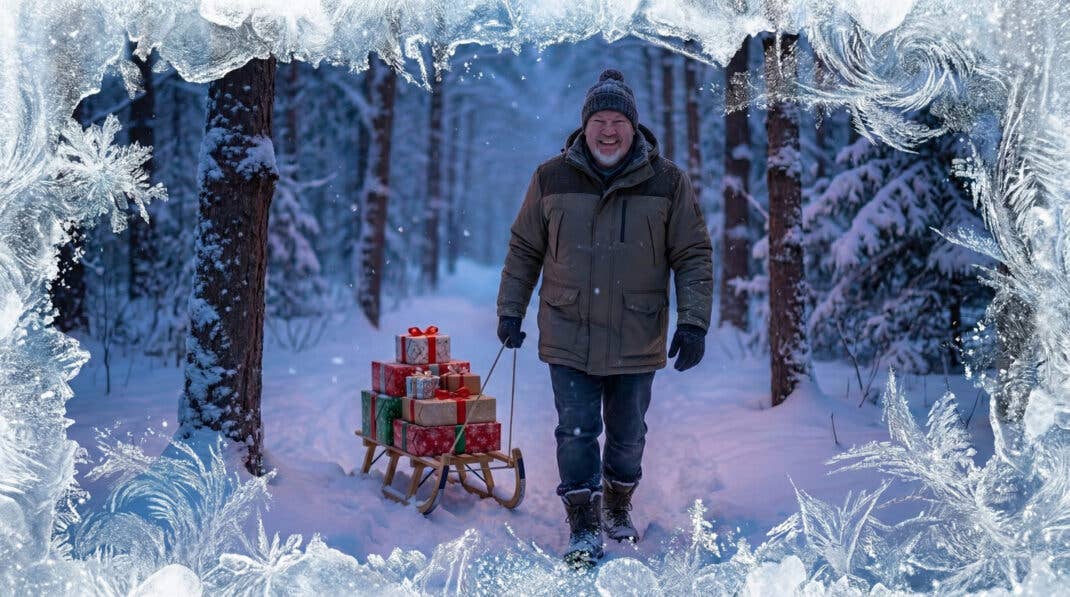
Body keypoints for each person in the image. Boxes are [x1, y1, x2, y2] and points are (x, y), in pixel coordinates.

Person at [495, 68, 713, 568]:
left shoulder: (667, 182)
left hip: (637, 332)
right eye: (599, 121)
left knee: (628, 433)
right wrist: (510, 309)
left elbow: (693, 253)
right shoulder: (551, 177)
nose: (608, 131)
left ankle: (617, 503)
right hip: (568, 329)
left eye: (618, 121)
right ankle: (583, 523)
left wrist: (694, 322)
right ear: (585, 126)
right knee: (575, 430)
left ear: (633, 128)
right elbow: (525, 248)